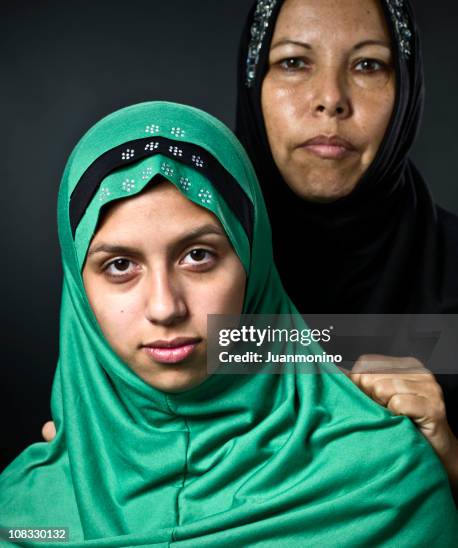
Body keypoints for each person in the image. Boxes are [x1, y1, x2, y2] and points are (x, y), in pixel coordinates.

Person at [1, 101, 457, 546]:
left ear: (252, 263)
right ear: (79, 292)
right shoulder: (24, 512)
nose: (165, 307)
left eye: (198, 256)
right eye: (120, 265)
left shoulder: (384, 480)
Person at [235, 0, 458, 492]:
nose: (331, 100)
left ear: (405, 90)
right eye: (293, 62)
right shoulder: (180, 271)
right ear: (253, 84)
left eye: (367, 65)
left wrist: (451, 460)